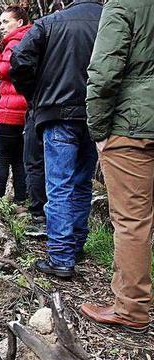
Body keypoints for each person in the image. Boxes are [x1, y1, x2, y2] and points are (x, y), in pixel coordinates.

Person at [9, 0, 102, 279]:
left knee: (59, 185)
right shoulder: (112, 20)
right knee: (82, 183)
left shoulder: (49, 22)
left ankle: (61, 256)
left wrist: (35, 96)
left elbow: (19, 62)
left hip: (57, 112)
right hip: (96, 114)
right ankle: (74, 246)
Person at [80, 0, 154, 330]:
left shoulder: (124, 5)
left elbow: (105, 72)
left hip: (132, 126)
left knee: (132, 220)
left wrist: (98, 129)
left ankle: (132, 308)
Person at [0, 6, 31, 205]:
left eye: (6, 22)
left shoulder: (15, 42)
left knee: (3, 158)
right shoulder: (33, 39)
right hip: (27, 110)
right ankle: (21, 201)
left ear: (19, 22)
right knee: (20, 159)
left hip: (9, 111)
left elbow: (2, 70)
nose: (1, 26)